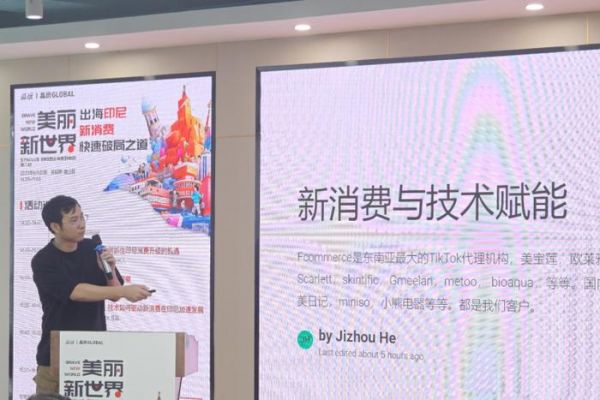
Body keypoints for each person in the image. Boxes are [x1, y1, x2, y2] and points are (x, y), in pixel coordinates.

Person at [31, 195, 153, 394]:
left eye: (82, 217)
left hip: (94, 353)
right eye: (74, 220)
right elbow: (76, 292)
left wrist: (109, 269)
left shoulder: (91, 248)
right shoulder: (43, 260)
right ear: (55, 227)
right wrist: (124, 290)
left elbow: (114, 294)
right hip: (56, 356)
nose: (81, 224)